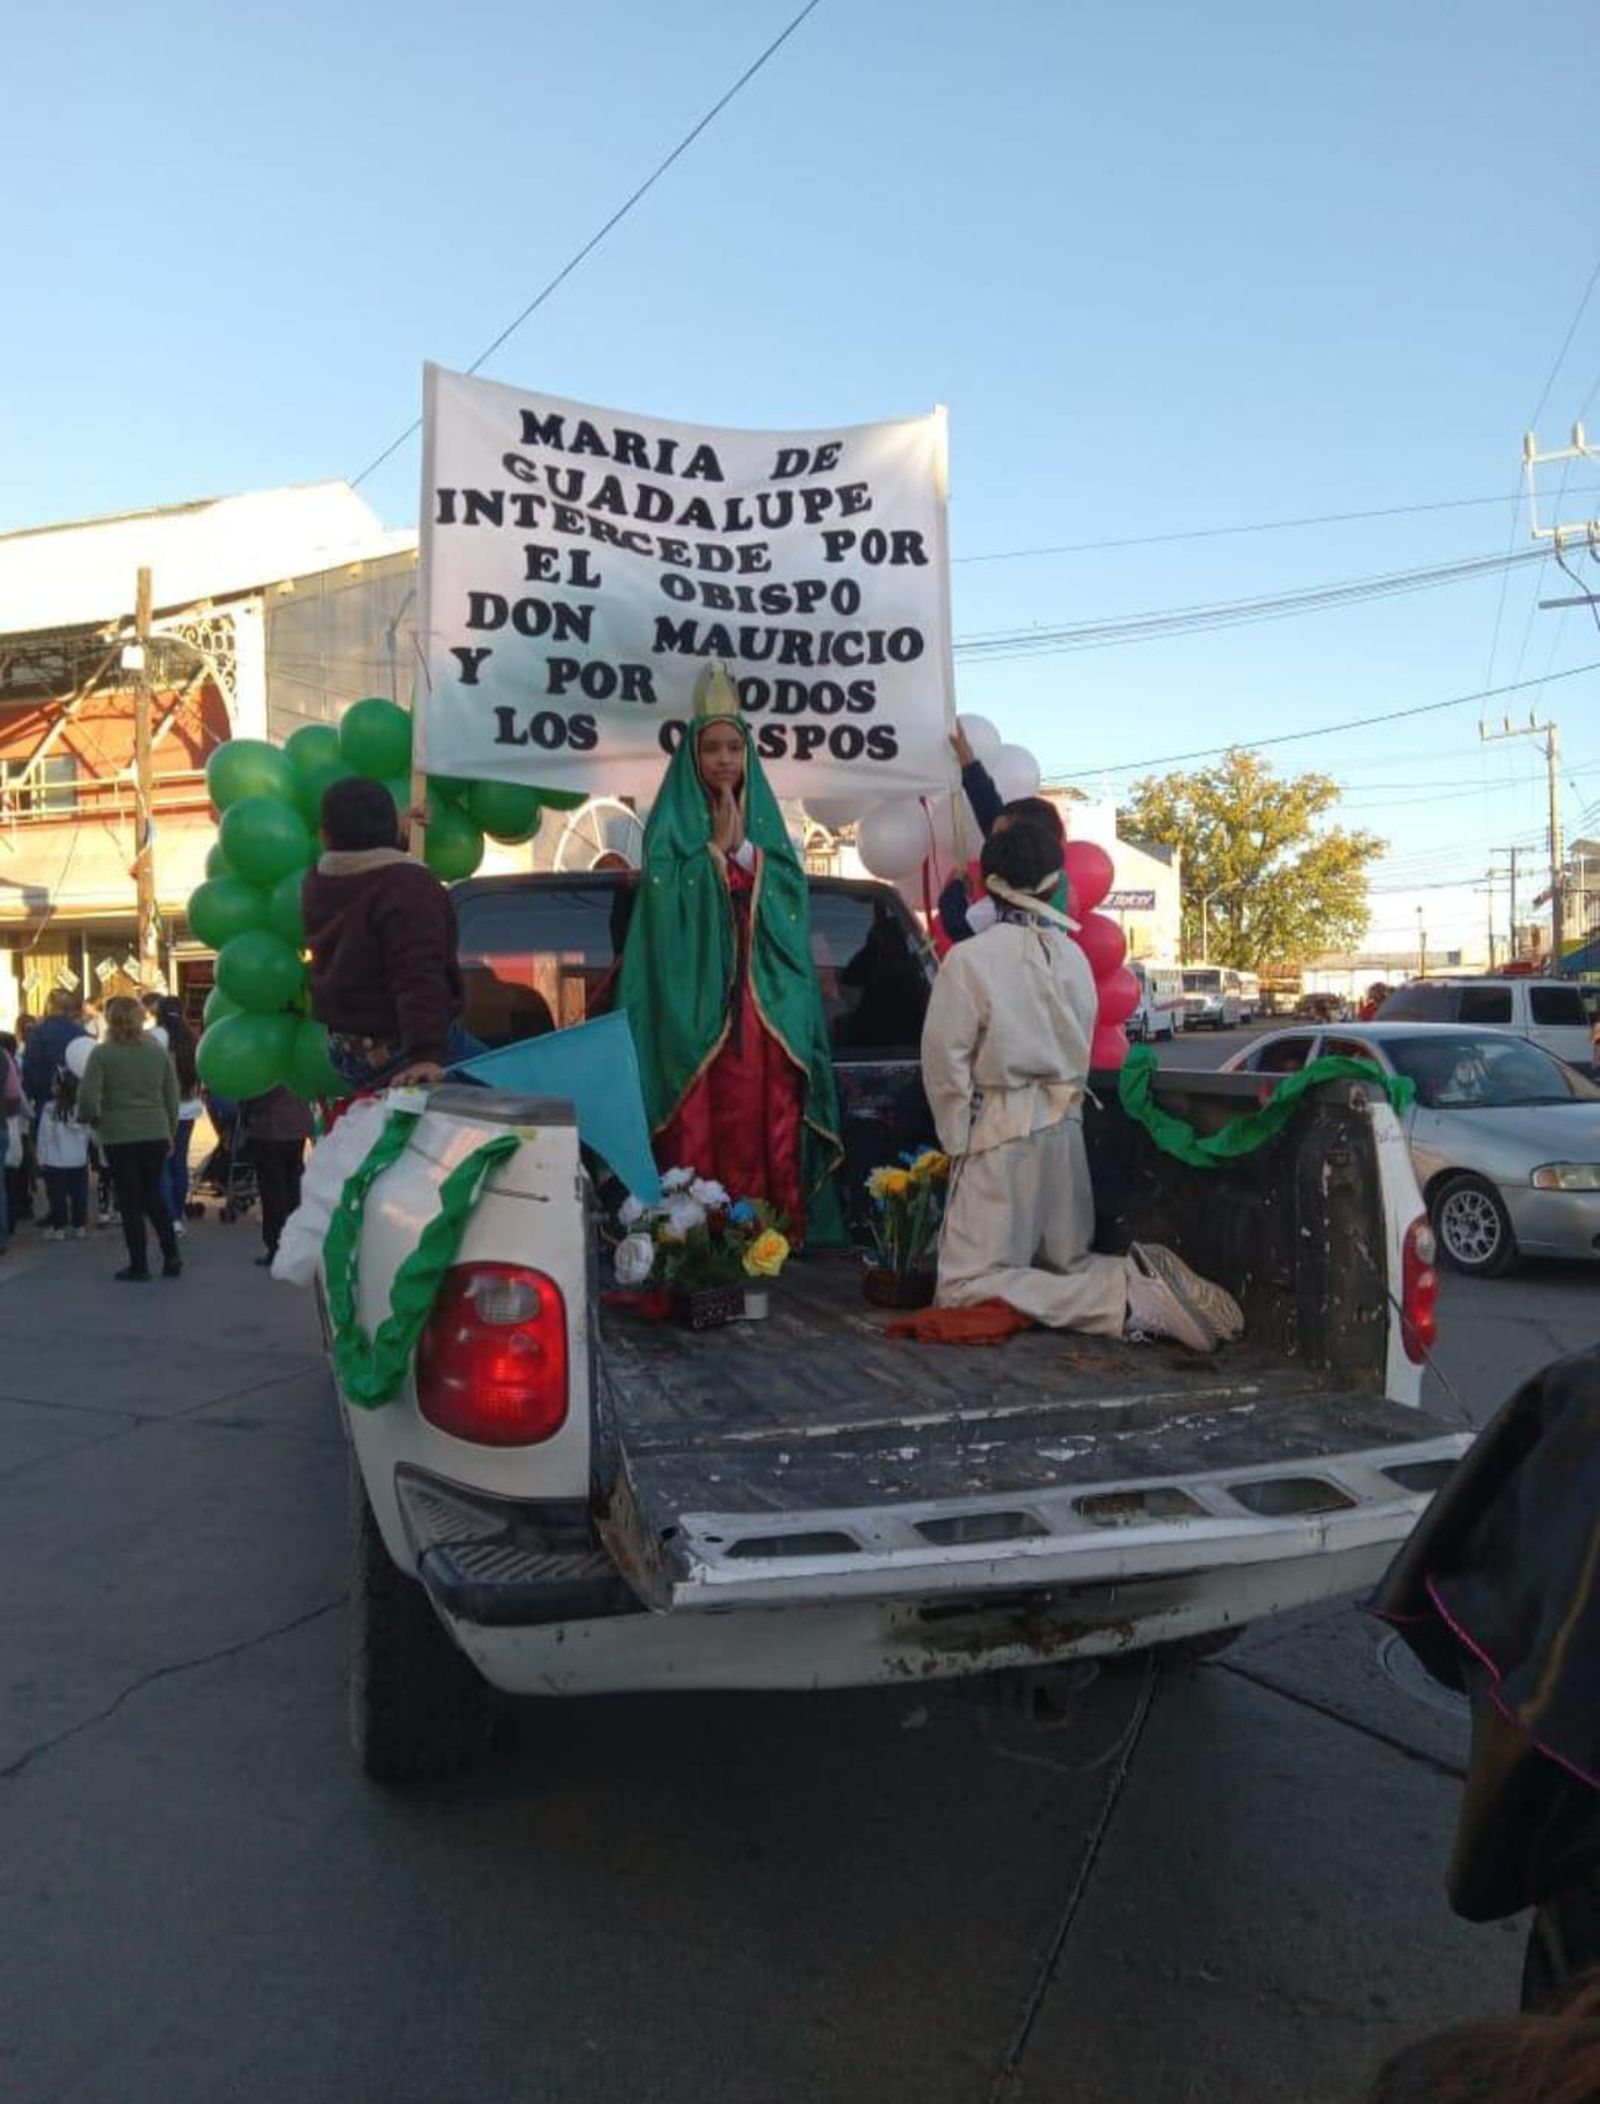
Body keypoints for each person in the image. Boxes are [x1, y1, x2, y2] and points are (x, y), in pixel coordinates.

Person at [922, 821, 1243, 1350]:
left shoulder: (970, 958)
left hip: (1002, 1138)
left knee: (962, 1286)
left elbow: (945, 1060)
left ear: (990, 884)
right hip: (1067, 1131)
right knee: (1064, 1261)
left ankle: (1121, 1300)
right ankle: (1128, 1276)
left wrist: (958, 1138)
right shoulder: (1074, 957)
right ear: (1054, 884)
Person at [617, 665, 843, 1238]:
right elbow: (661, 903)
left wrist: (743, 852)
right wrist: (711, 858)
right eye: (712, 748)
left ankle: (764, 1232)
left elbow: (789, 894)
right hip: (692, 1014)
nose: (723, 760)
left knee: (762, 1117)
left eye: (733, 749)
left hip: (759, 1009)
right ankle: (691, 1238)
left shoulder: (766, 827)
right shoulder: (667, 827)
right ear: (692, 753)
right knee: (698, 1123)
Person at [302, 776, 476, 1090]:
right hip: (404, 1051)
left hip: (348, 1051)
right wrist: (426, 1055)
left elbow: (363, 867)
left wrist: (392, 834)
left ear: (325, 835)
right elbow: (418, 974)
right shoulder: (409, 887)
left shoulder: (317, 882)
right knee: (520, 1101)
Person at [77, 995, 181, 1282]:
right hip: (154, 1131)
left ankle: (139, 1263)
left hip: (119, 1133)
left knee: (130, 1199)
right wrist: (169, 1130)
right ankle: (172, 1254)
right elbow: (171, 1095)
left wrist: (93, 1119)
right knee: (153, 1195)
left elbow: (87, 1097)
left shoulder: (102, 1054)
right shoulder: (156, 1050)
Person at [938, 723, 1069, 943]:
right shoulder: (1042, 871)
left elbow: (958, 926)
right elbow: (989, 806)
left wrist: (954, 891)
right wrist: (967, 760)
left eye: (998, 837)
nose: (993, 842)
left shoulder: (1008, 901)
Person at [145, 995, 202, 1232]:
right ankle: (178, 1212)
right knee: (180, 1160)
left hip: (162, 1108)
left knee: (163, 1164)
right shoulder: (193, 1037)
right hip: (189, 1107)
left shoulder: (154, 1037)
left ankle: (169, 1217)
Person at [242, 1085, 313, 1267]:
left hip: (270, 1129)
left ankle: (276, 1246)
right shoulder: (296, 1060)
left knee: (273, 1192)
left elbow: (258, 1097)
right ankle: (295, 1241)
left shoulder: (266, 1064)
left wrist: (244, 1103)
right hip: (296, 1126)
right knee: (292, 1187)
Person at [36, 1062, 91, 1239]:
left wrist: (41, 1156)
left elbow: (43, 1135)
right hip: (78, 1159)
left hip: (54, 1160)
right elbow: (89, 1133)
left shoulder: (49, 1109)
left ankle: (59, 1227)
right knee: (79, 1194)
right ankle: (79, 1225)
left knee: (56, 1195)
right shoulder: (80, 1109)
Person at [21, 989, 87, 1127]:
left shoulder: (37, 1033)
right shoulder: (81, 1033)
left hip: (44, 1102)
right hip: (76, 1105)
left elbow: (29, 1070)